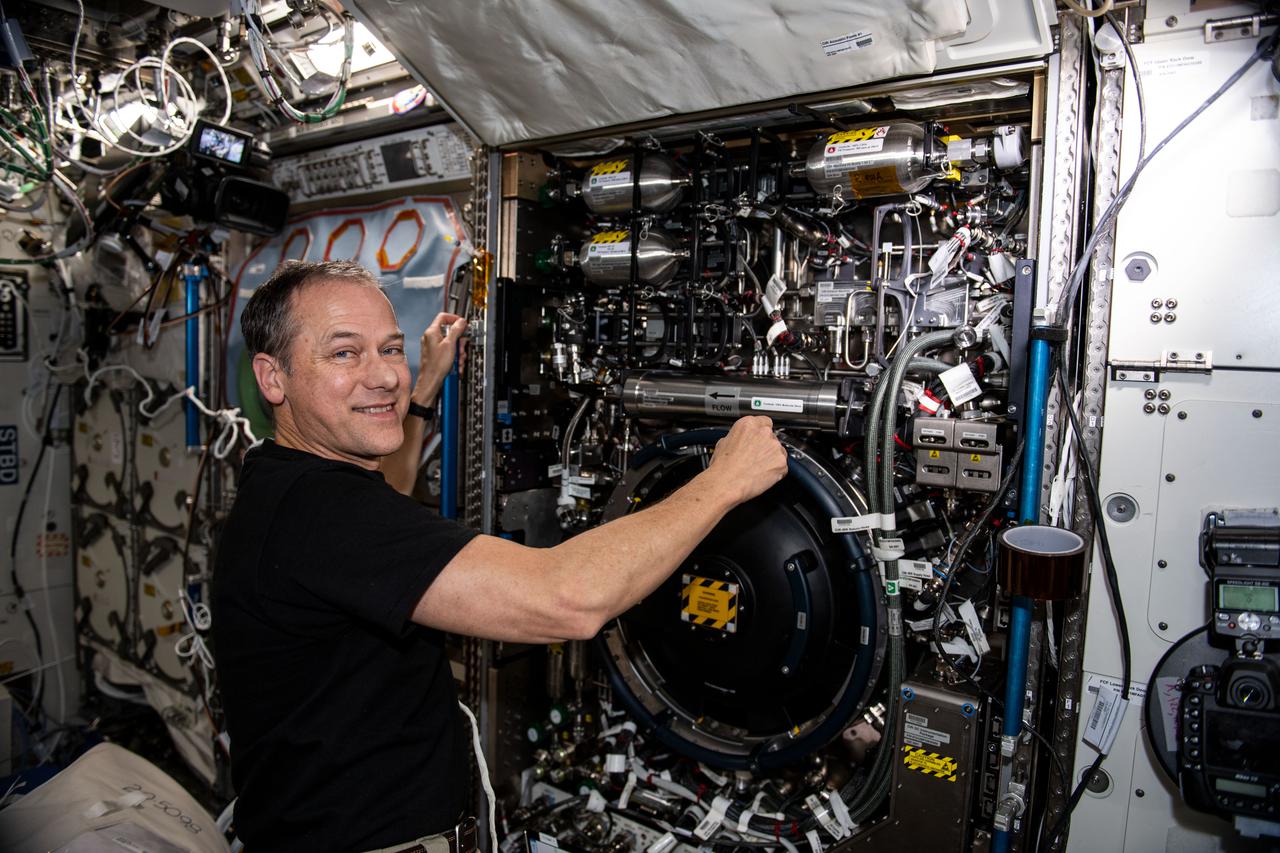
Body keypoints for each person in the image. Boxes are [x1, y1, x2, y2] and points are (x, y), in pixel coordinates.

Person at [211, 260, 787, 852]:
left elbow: (389, 491)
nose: (383, 376)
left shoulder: (286, 483)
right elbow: (567, 600)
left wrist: (426, 387)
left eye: (390, 349)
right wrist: (724, 483)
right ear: (272, 377)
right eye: (343, 355)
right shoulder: (324, 512)